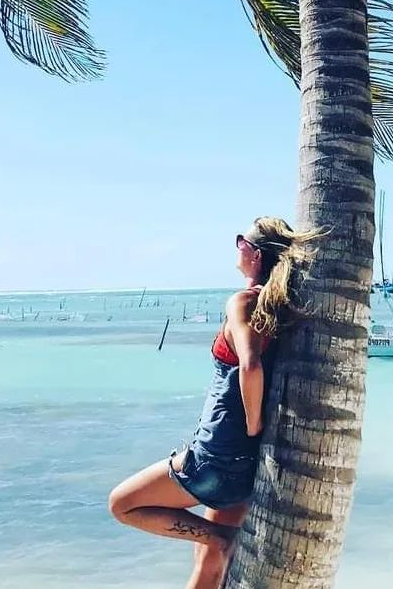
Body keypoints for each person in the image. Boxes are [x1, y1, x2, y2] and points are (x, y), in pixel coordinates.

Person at [109, 217, 315, 589]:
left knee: (122, 505)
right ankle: (219, 540)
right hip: (248, 466)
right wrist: (255, 435)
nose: (237, 248)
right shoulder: (282, 308)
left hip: (217, 457)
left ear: (253, 254)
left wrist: (253, 425)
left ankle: (222, 536)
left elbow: (249, 366)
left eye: (240, 242)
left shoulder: (244, 301)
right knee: (209, 561)